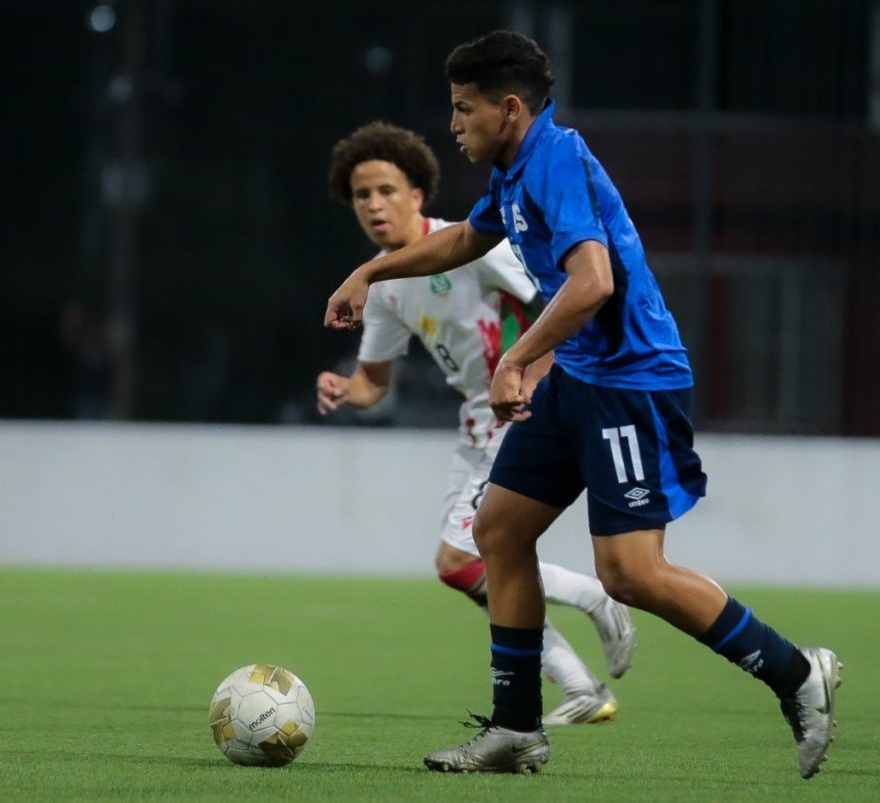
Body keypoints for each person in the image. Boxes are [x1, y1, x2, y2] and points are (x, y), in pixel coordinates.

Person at [325, 32, 841, 779]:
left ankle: (796, 672)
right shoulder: (513, 171)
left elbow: (592, 281)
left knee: (632, 572)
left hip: (631, 381)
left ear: (509, 108)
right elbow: (467, 238)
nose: (455, 124)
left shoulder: (557, 158)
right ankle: (516, 728)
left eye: (464, 109)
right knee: (497, 530)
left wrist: (521, 358)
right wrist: (370, 272)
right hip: (582, 375)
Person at [318, 121, 636, 726]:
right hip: (476, 424)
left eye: (387, 190)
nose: (374, 205)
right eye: (362, 195)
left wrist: (532, 374)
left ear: (418, 194)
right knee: (470, 567)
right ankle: (580, 686)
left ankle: (594, 600)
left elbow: (554, 298)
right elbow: (374, 383)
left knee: (463, 559)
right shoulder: (385, 285)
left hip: (520, 412)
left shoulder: (471, 248)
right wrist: (344, 389)